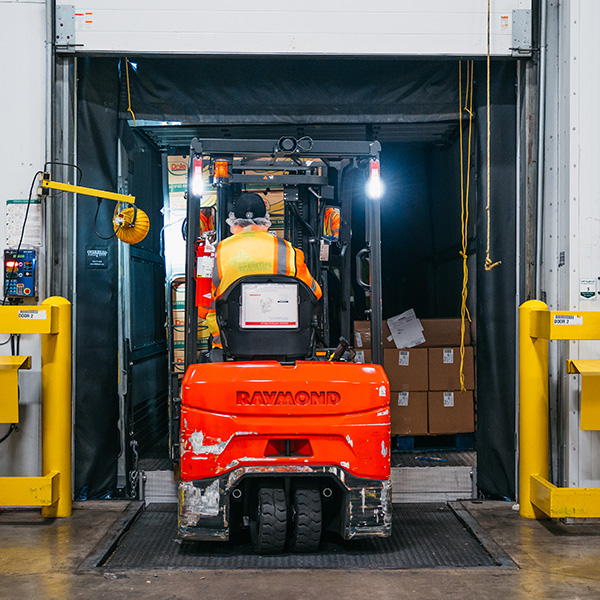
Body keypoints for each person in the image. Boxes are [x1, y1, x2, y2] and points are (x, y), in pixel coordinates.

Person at [198, 192, 322, 347]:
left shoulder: (216, 252)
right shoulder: (288, 251)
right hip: (285, 343)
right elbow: (314, 293)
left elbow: (203, 308)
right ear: (266, 219)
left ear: (233, 219)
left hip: (231, 344)